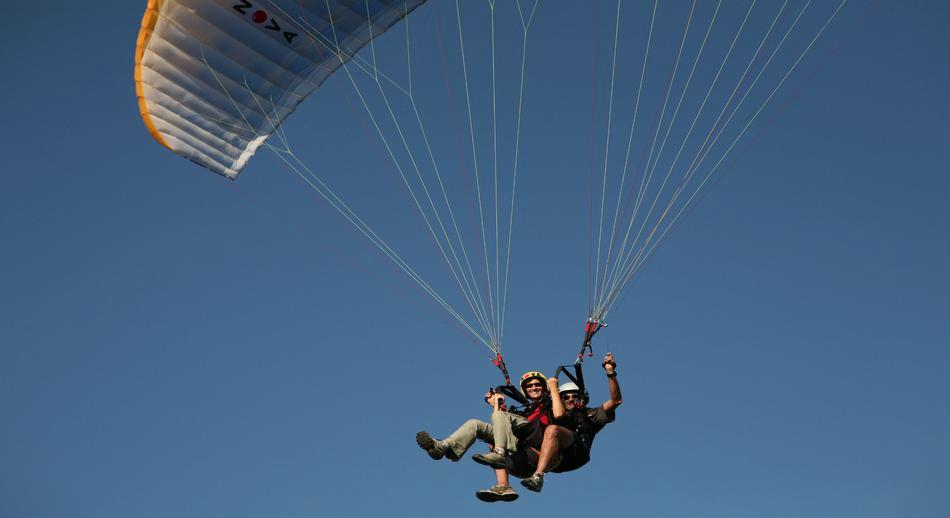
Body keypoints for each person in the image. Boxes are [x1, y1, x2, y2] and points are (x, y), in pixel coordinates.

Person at [416, 371, 552, 502]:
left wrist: (554, 389)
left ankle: (499, 452)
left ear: (544, 387)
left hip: (536, 440)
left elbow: (559, 414)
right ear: (525, 390)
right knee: (475, 424)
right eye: (530, 385)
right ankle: (443, 447)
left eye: (537, 384)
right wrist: (496, 404)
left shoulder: (549, 404)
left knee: (499, 425)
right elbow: (499, 422)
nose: (534, 387)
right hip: (521, 442)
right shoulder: (525, 411)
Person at [518, 352, 623, 493]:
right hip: (556, 460)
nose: (570, 399)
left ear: (582, 398)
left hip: (577, 454)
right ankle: (503, 485)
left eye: (575, 396)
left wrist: (610, 373)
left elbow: (616, 401)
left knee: (553, 429)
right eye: (565, 396)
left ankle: (538, 476)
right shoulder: (554, 412)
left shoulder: (590, 414)